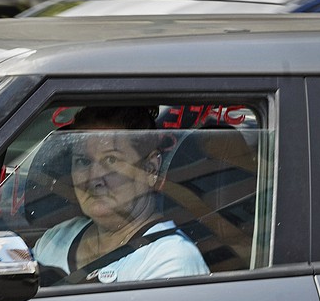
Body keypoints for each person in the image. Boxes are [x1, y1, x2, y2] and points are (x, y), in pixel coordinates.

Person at [33, 106, 209, 284]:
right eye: (83, 161)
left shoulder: (171, 260)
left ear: (150, 169)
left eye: (111, 160)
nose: (94, 178)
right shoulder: (54, 239)